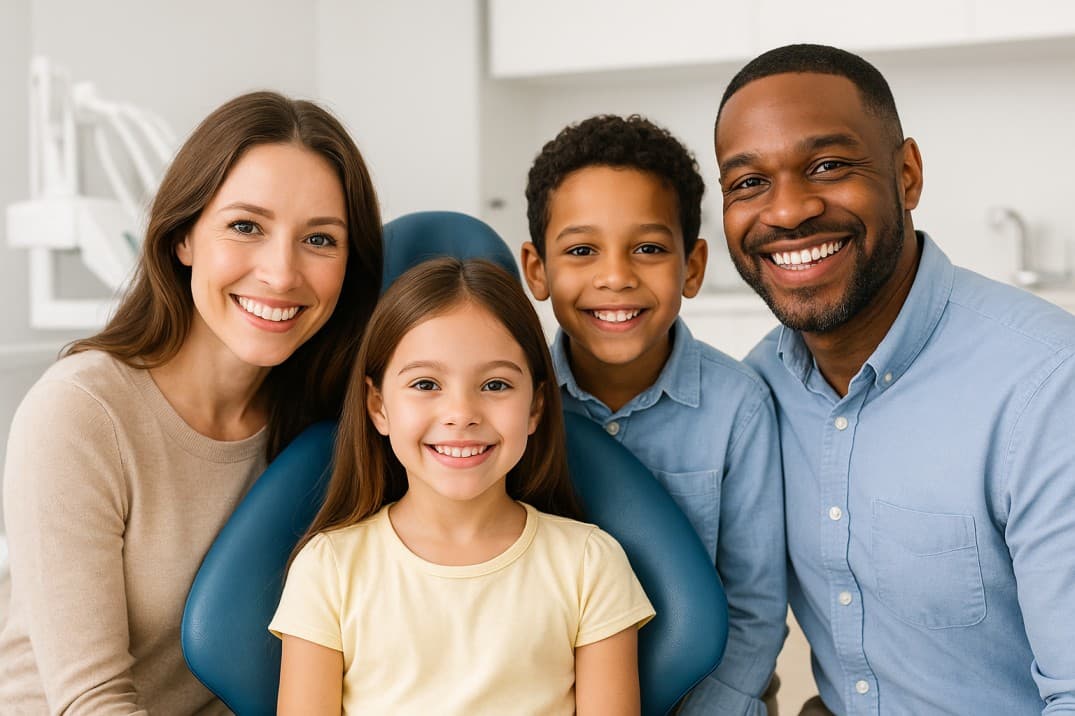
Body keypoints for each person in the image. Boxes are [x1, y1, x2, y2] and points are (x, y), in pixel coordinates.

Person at [715, 43, 1075, 715]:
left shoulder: (1049, 385)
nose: (787, 212)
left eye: (826, 165)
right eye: (748, 182)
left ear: (905, 174)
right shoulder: (751, 394)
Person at [0, 91, 383, 713]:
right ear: (183, 237)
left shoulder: (330, 426)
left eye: (320, 239)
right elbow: (91, 703)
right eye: (246, 227)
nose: (282, 274)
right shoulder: (79, 414)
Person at [269, 258, 655, 715]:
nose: (461, 413)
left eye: (494, 384)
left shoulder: (590, 564)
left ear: (535, 408)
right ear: (378, 406)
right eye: (426, 383)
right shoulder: (329, 569)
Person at [521, 114, 786, 715]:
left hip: (707, 694)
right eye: (582, 250)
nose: (615, 277)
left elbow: (754, 606)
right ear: (538, 269)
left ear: (692, 267)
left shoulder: (738, 407)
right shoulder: (515, 401)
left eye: (648, 248)